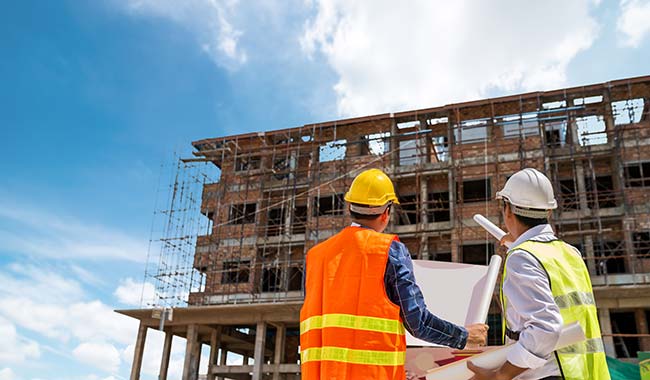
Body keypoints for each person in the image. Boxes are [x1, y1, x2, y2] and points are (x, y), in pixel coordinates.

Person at [300, 168, 488, 380]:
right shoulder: (388, 250)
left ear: (350, 207)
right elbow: (419, 323)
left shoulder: (315, 257)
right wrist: (464, 336)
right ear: (386, 212)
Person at [468, 168, 610, 380]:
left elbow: (545, 328)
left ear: (507, 210)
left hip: (544, 375)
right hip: (581, 372)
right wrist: (517, 242)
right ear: (548, 211)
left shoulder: (522, 257)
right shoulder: (570, 253)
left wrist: (501, 375)